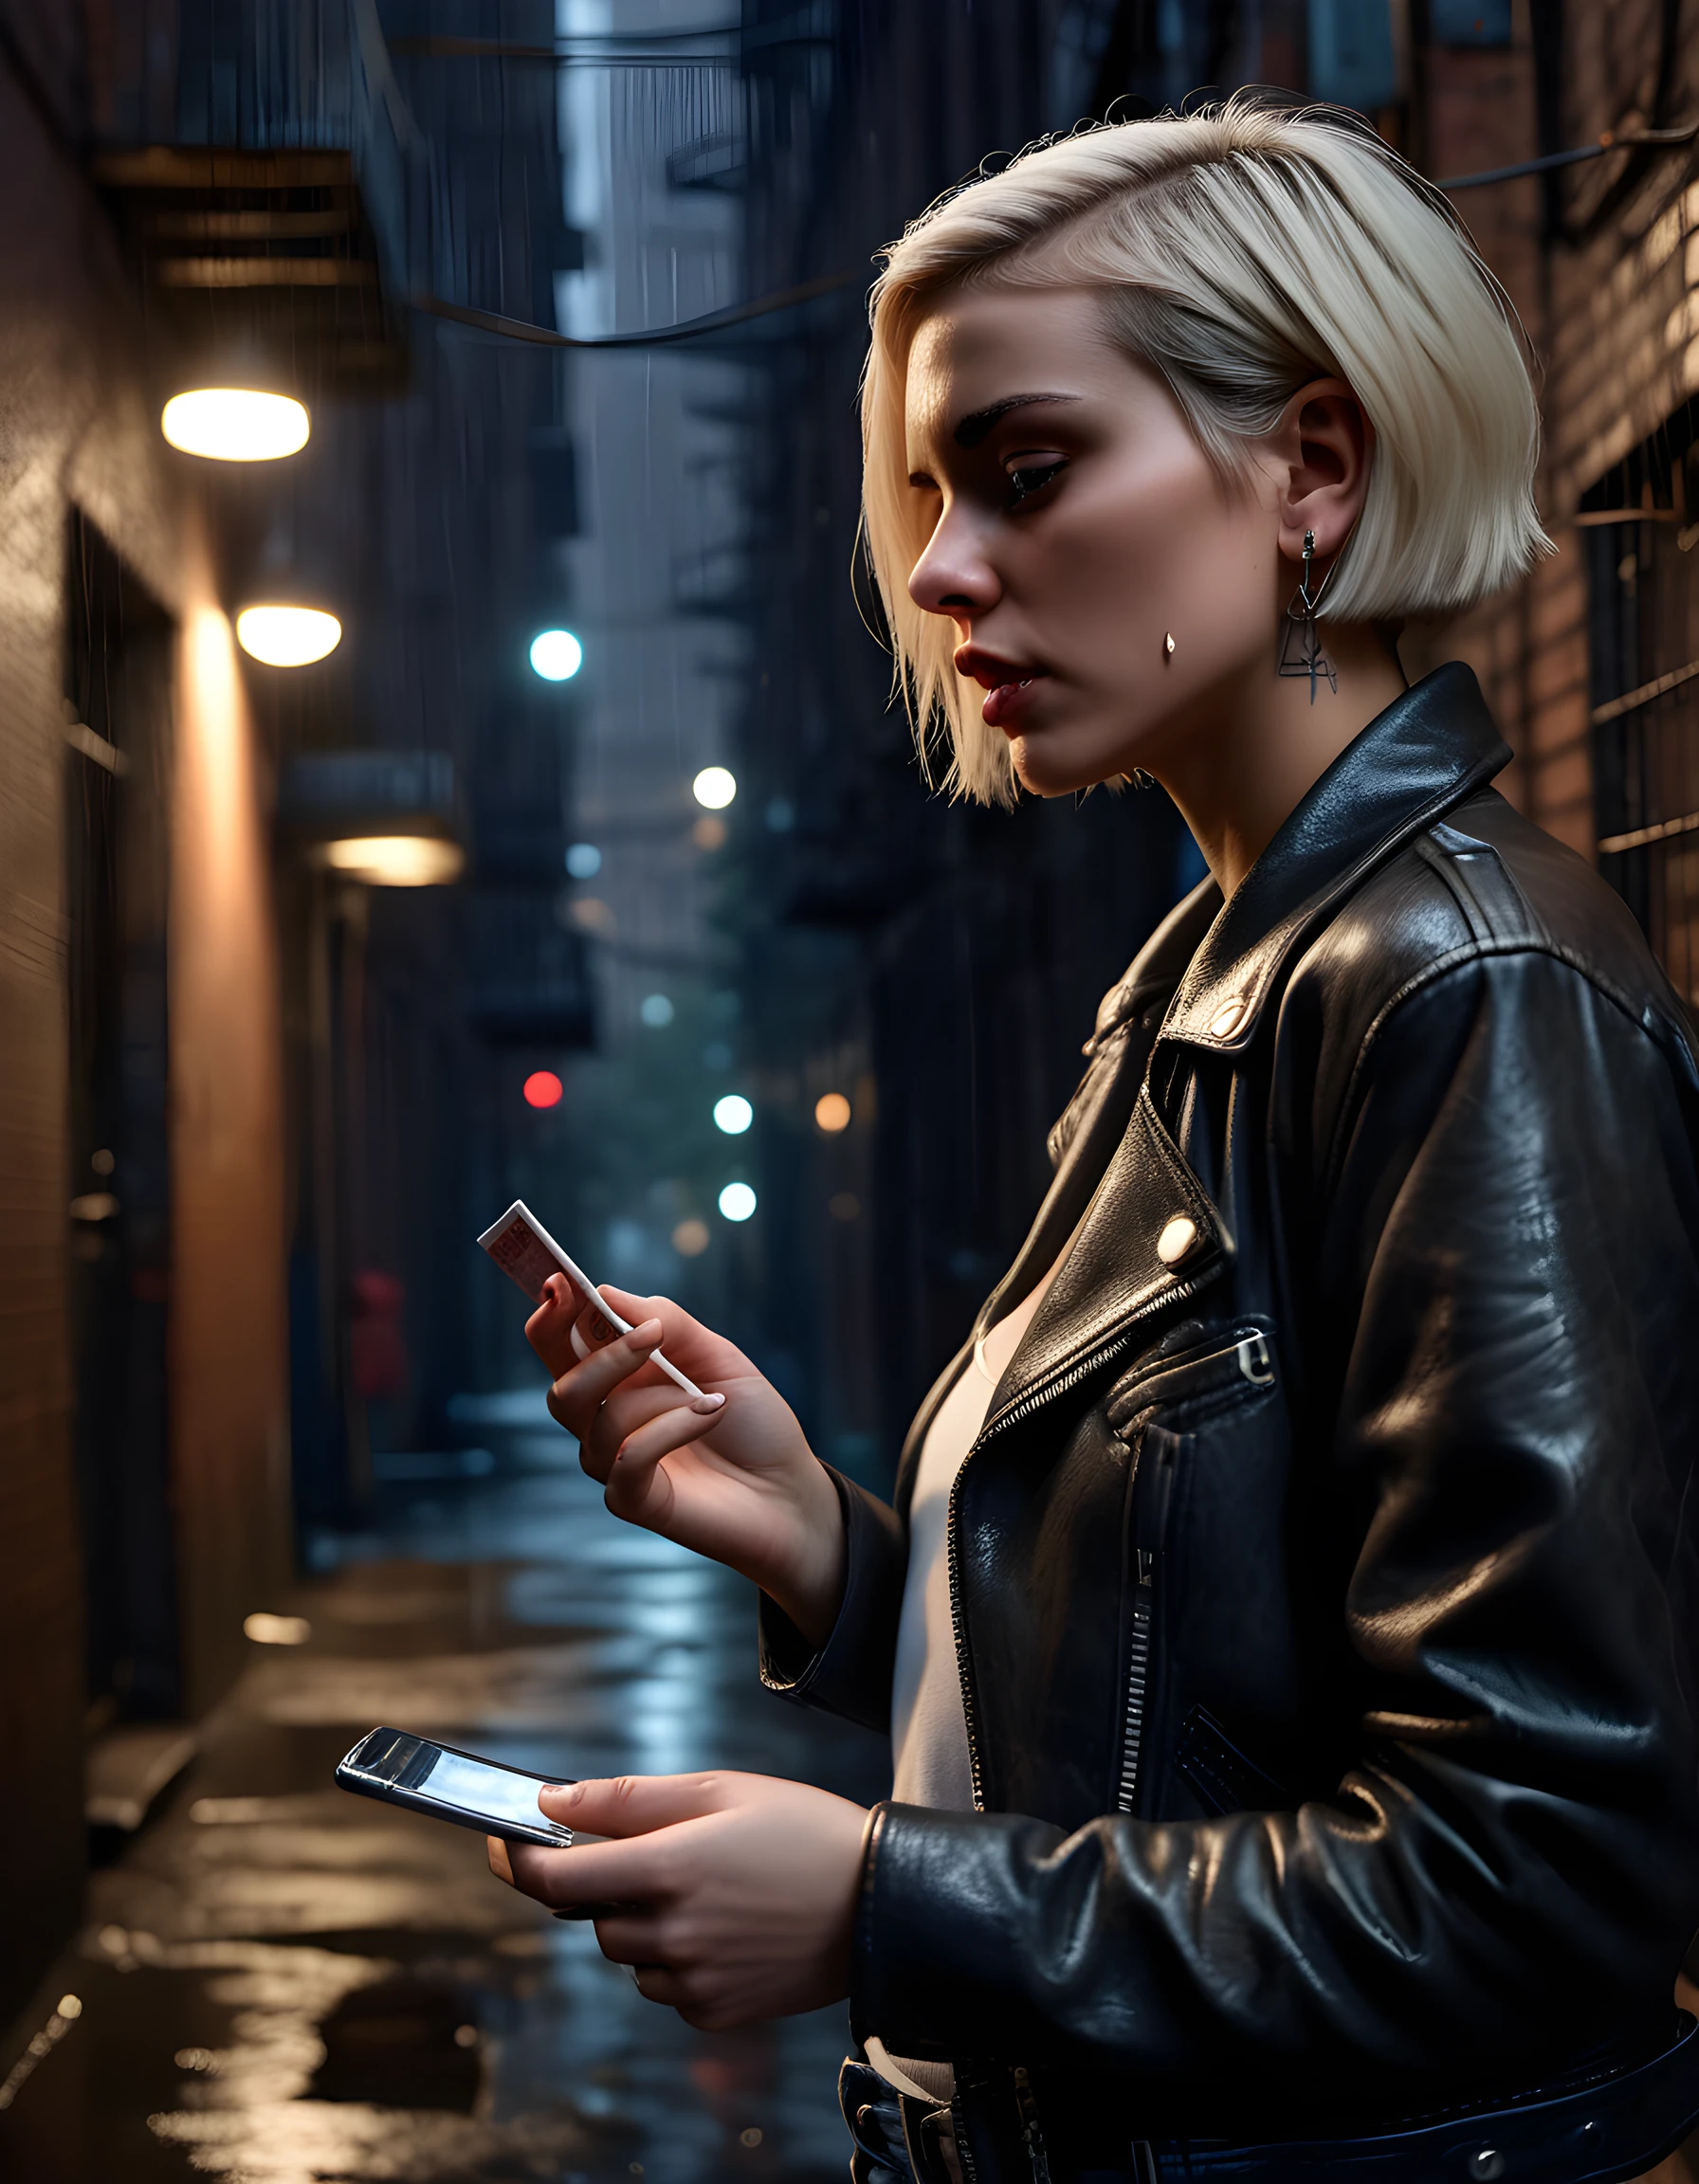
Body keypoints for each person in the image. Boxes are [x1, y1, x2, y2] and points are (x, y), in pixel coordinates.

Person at [487, 99, 1699, 2183]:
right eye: (927, 491)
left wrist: (885, 1903)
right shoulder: (1197, 989)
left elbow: (1535, 1878)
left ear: (1308, 470)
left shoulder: (1453, 986)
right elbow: (1205, 1702)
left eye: (1027, 473)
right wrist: (840, 1556)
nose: (943, 566)